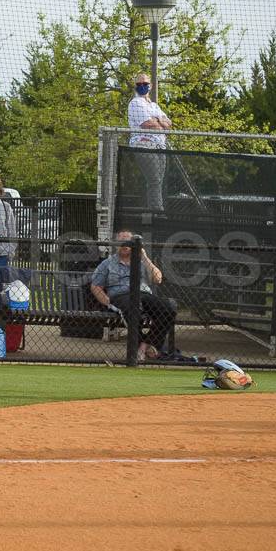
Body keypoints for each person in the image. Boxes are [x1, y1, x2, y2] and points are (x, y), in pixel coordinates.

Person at [89, 229, 175, 361]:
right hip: (121, 296)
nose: (125, 244)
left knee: (168, 309)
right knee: (133, 310)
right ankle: (141, 349)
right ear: (116, 244)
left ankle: (144, 346)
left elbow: (158, 279)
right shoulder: (107, 263)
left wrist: (145, 257)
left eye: (128, 241)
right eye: (121, 241)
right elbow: (96, 286)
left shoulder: (142, 262)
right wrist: (107, 302)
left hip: (143, 293)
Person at [127, 72, 171, 213]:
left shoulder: (154, 105)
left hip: (160, 146)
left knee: (158, 181)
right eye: (139, 84)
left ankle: (155, 210)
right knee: (154, 179)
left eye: (145, 84)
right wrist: (159, 121)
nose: (142, 86)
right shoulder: (135, 103)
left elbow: (169, 123)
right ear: (135, 86)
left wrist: (158, 121)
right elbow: (147, 124)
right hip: (144, 145)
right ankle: (157, 211)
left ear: (150, 86)